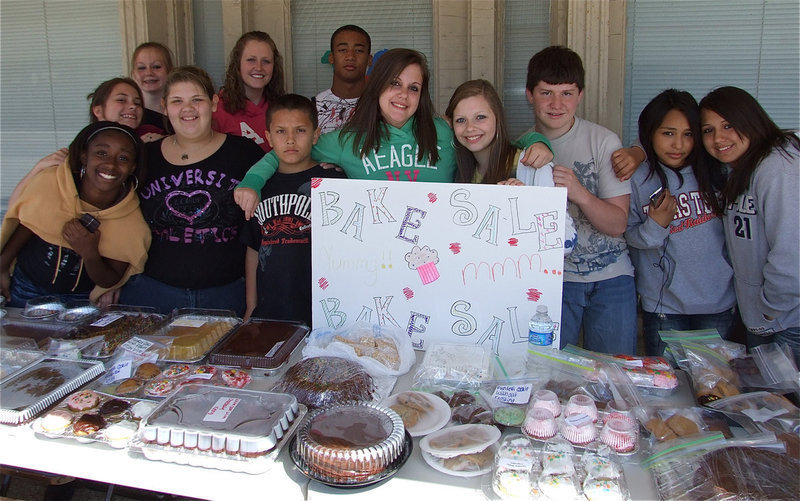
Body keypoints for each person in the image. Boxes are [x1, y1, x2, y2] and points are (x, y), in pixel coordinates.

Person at [235, 49, 552, 219]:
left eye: (413, 88)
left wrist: (535, 140)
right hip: (378, 258)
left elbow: (485, 136)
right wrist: (252, 182)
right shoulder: (347, 140)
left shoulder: (443, 130)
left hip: (442, 251)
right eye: (394, 83)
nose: (403, 95)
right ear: (378, 85)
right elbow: (289, 148)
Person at [119, 66, 265, 315]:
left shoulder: (244, 153)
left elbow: (276, 202)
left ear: (214, 103)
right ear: (165, 106)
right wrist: (113, 279)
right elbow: (118, 215)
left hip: (228, 293)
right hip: (153, 291)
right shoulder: (145, 157)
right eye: (177, 101)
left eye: (197, 100)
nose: (188, 109)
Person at [525, 46, 636, 354]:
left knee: (612, 380)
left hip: (612, 279)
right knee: (550, 378)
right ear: (529, 94)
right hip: (552, 286)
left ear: (581, 95)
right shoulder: (521, 150)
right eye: (546, 93)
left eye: (567, 93)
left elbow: (618, 224)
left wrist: (580, 194)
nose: (557, 104)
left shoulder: (603, 141)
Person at [624, 89, 735, 355]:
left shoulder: (718, 172)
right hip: (664, 308)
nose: (678, 145)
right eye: (668, 133)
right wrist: (656, 225)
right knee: (668, 388)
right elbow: (628, 235)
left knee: (715, 389)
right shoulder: (638, 177)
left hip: (717, 304)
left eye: (688, 134)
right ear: (650, 133)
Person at [699, 86, 800, 364]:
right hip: (765, 319)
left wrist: (769, 309)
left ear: (750, 119)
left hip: (787, 322)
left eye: (728, 125)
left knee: (786, 405)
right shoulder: (741, 168)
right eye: (708, 130)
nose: (719, 138)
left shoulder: (779, 167)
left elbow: (791, 253)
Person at [0, 121, 150, 307]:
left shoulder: (131, 221)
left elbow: (109, 280)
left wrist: (90, 253)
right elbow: (26, 225)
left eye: (123, 158)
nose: (110, 164)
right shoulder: (50, 184)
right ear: (83, 155)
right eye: (101, 153)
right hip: (26, 288)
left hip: (79, 299)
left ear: (133, 167)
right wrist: (2, 267)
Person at [240, 94, 346, 324]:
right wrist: (251, 305)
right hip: (271, 306)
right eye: (280, 131)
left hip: (322, 307)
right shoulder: (259, 186)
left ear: (316, 135)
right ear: (268, 137)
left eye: (300, 130)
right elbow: (253, 248)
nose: (290, 140)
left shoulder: (332, 179)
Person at [444, 79, 576, 252]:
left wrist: (523, 206)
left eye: (480, 117)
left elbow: (567, 242)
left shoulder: (532, 165)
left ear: (497, 118)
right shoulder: (461, 173)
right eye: (461, 120)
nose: (470, 128)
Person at [213, 31, 285, 152]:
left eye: (266, 61)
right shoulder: (217, 110)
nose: (259, 67)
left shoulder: (282, 108)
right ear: (237, 63)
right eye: (251, 60)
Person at [314, 25, 372, 133]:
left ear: (369, 59)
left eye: (359, 50)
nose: (350, 56)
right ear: (331, 58)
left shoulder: (381, 105)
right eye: (342, 50)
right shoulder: (312, 107)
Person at [130, 42, 173, 137]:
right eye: (141, 68)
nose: (149, 73)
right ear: (133, 74)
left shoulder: (180, 110)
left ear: (170, 71)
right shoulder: (130, 113)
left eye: (156, 67)